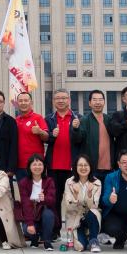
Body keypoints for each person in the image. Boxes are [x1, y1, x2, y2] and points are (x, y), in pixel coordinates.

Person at [45, 88, 82, 220]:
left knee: (74, 200)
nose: (61, 100)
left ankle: (75, 227)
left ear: (69, 100)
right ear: (53, 101)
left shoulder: (78, 118)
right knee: (54, 201)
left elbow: (81, 139)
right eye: (57, 98)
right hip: (53, 167)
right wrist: (52, 135)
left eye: (64, 98)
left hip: (73, 167)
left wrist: (76, 129)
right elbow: (45, 138)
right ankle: (55, 228)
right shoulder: (49, 119)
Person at [61, 154, 102, 252]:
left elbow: (94, 206)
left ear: (90, 167)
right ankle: (84, 238)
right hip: (75, 218)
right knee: (80, 247)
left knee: (93, 212)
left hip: (89, 216)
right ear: (75, 167)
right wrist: (75, 196)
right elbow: (69, 207)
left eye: (86, 165)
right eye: (80, 165)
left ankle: (93, 240)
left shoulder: (97, 182)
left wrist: (89, 194)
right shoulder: (69, 182)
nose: (83, 168)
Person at [18, 154, 57, 250]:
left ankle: (47, 241)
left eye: (40, 164)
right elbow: (25, 204)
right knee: (26, 228)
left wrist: (45, 198)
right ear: (29, 167)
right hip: (31, 211)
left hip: (44, 211)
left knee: (48, 214)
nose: (37, 167)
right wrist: (30, 224)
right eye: (34, 164)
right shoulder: (23, 182)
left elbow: (52, 200)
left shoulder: (49, 181)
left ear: (44, 167)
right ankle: (34, 239)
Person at [79, 90, 116, 180]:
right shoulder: (84, 120)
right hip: (91, 168)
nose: (98, 102)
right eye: (95, 100)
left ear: (104, 102)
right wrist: (75, 129)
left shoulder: (109, 119)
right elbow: (77, 139)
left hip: (109, 168)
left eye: (100, 100)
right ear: (89, 103)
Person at [13, 91, 48, 181]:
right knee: (23, 190)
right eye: (20, 101)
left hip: (36, 165)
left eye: (26, 100)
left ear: (31, 102)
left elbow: (46, 137)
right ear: (17, 103)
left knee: (37, 190)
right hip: (19, 165)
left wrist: (40, 131)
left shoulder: (38, 118)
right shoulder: (15, 121)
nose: (23, 103)